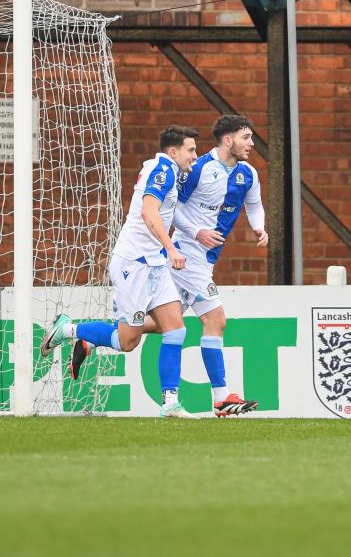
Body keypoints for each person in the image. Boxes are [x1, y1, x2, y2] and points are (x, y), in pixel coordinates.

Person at [39, 125, 199, 419]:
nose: (194, 155)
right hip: (134, 264)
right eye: (190, 150)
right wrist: (172, 248)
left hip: (154, 264)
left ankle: (170, 402)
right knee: (127, 342)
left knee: (176, 328)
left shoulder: (169, 172)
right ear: (173, 151)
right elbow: (148, 212)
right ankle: (68, 330)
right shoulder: (162, 171)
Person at [157, 113, 268, 417]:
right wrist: (197, 232)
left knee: (154, 326)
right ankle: (220, 396)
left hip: (202, 260)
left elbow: (254, 205)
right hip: (187, 254)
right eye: (246, 137)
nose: (251, 143)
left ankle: (84, 334)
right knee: (216, 320)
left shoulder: (248, 174)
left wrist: (260, 227)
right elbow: (173, 206)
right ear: (228, 140)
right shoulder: (200, 168)